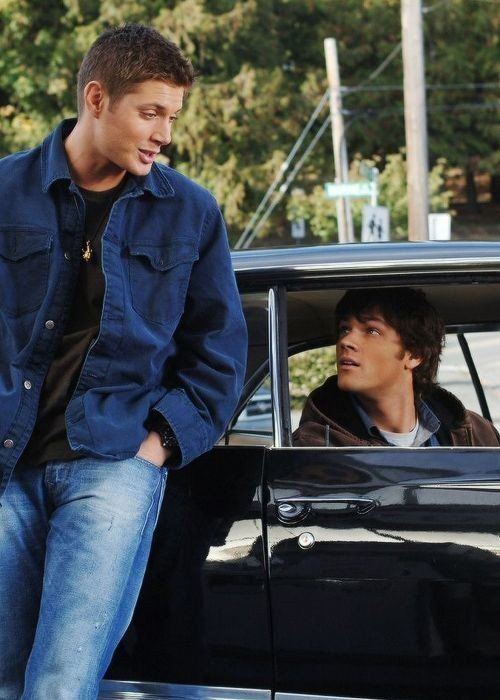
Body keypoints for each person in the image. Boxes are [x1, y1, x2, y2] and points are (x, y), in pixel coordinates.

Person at [0, 24, 247, 699]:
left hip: (112, 463)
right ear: (97, 98)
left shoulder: (191, 213)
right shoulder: (4, 192)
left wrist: (158, 446)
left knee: (60, 682)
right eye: (151, 112)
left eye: (173, 115)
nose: (165, 132)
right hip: (6, 464)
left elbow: (219, 351)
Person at [293, 287, 500, 448]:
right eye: (344, 329)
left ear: (415, 354)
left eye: (372, 331)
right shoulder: (315, 446)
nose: (346, 340)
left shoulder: (474, 432)